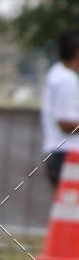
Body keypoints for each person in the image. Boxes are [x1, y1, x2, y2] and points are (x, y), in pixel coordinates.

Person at [41, 31, 79, 186]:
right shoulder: (66, 80)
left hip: (60, 154)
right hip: (67, 155)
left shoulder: (56, 73)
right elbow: (65, 124)